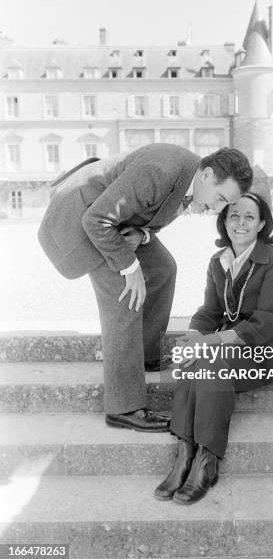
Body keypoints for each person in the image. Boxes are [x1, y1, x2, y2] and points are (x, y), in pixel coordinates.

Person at [38, 143, 253, 433]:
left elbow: (150, 214)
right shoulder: (159, 170)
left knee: (163, 268)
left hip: (116, 223)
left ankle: (146, 355)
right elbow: (97, 219)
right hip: (80, 221)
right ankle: (123, 407)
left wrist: (142, 235)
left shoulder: (191, 177)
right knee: (124, 292)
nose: (218, 209)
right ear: (207, 175)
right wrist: (130, 267)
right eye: (220, 198)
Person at [155, 192, 273, 504]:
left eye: (249, 216)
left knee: (210, 360)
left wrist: (209, 342)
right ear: (224, 221)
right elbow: (209, 311)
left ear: (262, 223)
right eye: (234, 215)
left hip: (268, 349)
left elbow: (262, 325)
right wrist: (193, 336)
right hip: (230, 346)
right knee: (194, 359)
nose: (241, 222)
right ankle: (185, 454)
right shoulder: (218, 261)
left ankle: (207, 461)